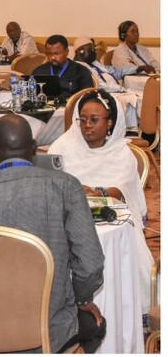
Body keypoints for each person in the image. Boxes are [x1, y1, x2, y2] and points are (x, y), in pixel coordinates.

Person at [0, 114, 106, 353]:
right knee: (95, 324)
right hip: (48, 329)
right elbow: (90, 264)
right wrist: (82, 300)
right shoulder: (66, 187)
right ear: (34, 148)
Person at [48, 90, 153, 314]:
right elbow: (51, 183)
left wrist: (98, 192)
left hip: (112, 220)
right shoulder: (63, 146)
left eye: (94, 120)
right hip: (67, 220)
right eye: (82, 119)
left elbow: (122, 192)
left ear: (110, 123)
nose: (87, 125)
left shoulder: (121, 153)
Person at [74, 36, 139, 128]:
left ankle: (147, 130)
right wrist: (120, 89)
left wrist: (137, 68)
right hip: (103, 95)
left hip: (117, 92)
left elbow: (115, 71)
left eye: (94, 48)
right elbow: (96, 87)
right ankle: (131, 132)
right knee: (130, 101)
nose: (94, 51)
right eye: (91, 49)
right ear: (81, 52)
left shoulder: (95, 64)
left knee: (143, 97)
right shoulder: (79, 68)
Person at [32, 34, 94, 100]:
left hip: (70, 108)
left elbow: (88, 96)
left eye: (56, 54)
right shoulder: (39, 72)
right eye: (49, 54)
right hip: (44, 108)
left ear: (67, 52)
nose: (52, 57)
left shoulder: (80, 71)